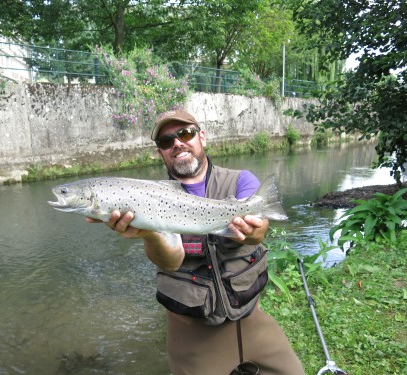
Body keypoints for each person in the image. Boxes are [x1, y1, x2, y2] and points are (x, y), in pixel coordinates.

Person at [87, 109, 305, 375]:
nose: (177, 143)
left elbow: (259, 232)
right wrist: (149, 232)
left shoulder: (241, 181)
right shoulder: (148, 197)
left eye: (185, 133)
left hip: (250, 319)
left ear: (202, 137)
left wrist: (250, 231)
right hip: (191, 333)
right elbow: (171, 260)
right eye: (166, 141)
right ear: (161, 153)